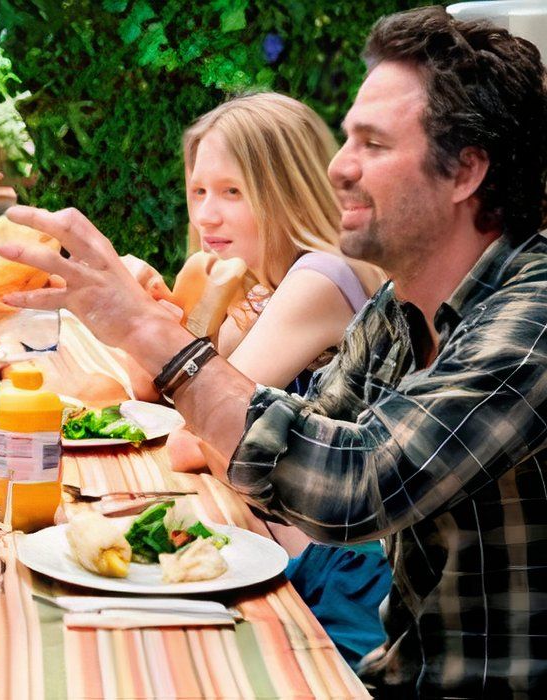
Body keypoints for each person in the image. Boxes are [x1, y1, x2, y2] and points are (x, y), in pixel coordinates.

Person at [0, 7, 547, 697]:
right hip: (393, 673)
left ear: (465, 173)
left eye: (372, 144)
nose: (338, 167)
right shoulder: (397, 311)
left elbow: (350, 483)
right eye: (346, 140)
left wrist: (153, 335)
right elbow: (285, 447)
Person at [157, 92, 389, 665]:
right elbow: (177, 394)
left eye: (233, 192)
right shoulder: (269, 285)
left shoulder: (319, 277)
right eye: (199, 191)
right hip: (306, 553)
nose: (207, 215)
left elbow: (198, 434)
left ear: (284, 190)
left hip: (347, 579)